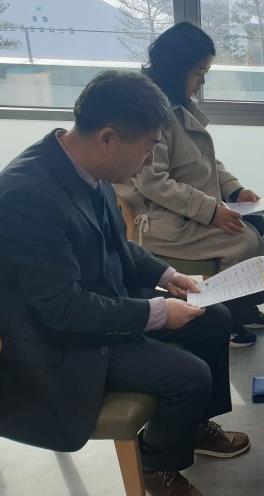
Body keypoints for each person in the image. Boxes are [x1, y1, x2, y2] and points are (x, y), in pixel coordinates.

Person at [0, 71, 249, 496]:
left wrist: (169, 276)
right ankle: (156, 466)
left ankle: (190, 428)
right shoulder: (28, 195)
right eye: (148, 147)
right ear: (108, 138)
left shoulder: (84, 167)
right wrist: (157, 312)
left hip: (102, 308)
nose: (149, 161)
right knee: (189, 376)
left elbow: (118, 245)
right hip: (61, 342)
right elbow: (63, 309)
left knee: (215, 317)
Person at [117, 22, 264, 348]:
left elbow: (204, 160)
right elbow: (153, 182)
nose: (202, 82)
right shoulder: (149, 111)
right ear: (176, 68)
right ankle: (227, 319)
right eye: (199, 72)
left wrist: (234, 190)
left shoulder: (178, 103)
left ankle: (244, 305)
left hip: (186, 208)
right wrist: (211, 212)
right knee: (241, 241)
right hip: (159, 218)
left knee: (255, 222)